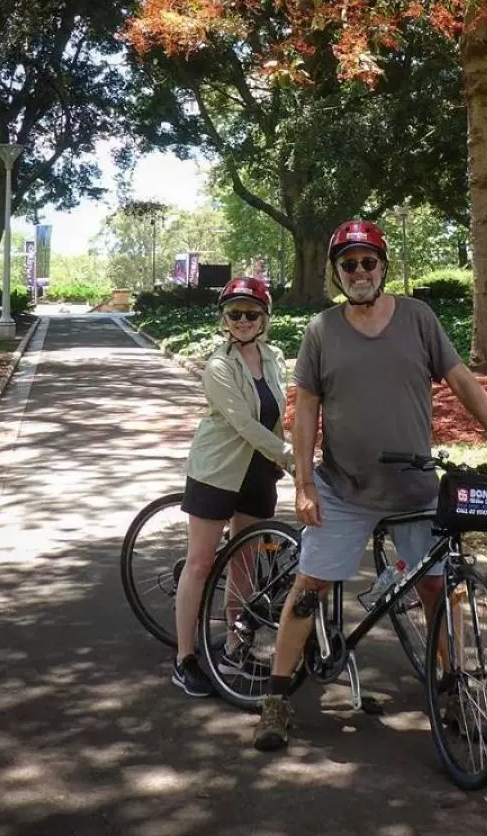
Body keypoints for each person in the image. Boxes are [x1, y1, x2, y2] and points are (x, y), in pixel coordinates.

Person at [253, 220, 487, 750]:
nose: (359, 271)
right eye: (348, 264)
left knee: (433, 586)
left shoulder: (418, 319)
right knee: (310, 585)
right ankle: (276, 699)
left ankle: (453, 688)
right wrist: (305, 483)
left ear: (383, 266)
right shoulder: (322, 330)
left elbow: (461, 379)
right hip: (343, 486)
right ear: (337, 273)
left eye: (368, 262)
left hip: (414, 489)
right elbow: (307, 408)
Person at [171, 276, 293, 697]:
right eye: (234, 313)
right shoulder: (219, 366)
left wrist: (283, 462)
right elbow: (243, 423)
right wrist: (290, 455)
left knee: (245, 563)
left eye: (251, 313)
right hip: (217, 470)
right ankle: (184, 658)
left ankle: (236, 645)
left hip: (259, 473)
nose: (242, 320)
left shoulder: (274, 357)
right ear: (224, 319)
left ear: (265, 318)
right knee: (201, 564)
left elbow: (276, 413)